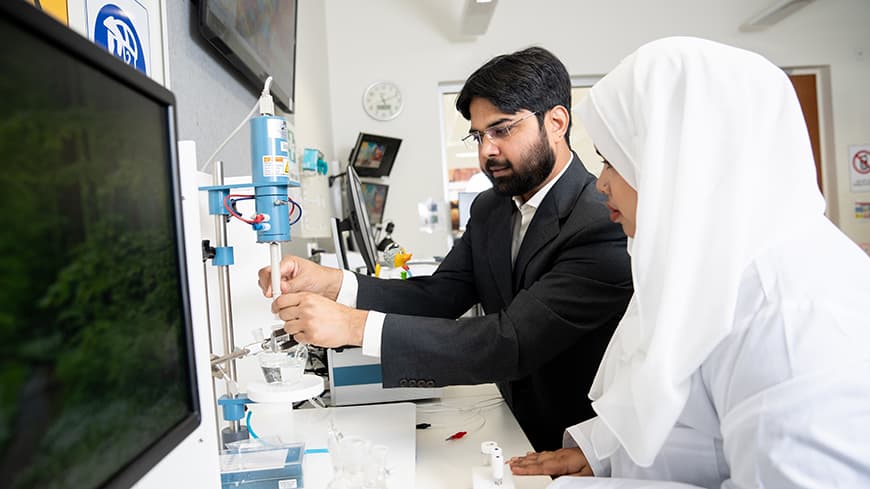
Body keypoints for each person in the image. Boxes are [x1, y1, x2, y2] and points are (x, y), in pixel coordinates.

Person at [507, 37, 870, 488]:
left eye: (613, 162)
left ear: (681, 161)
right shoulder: (704, 259)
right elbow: (671, 388)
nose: (601, 186)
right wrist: (598, 455)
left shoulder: (792, 313)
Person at [258, 47, 633, 451]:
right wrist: (333, 285)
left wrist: (352, 325)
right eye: (478, 135)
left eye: (502, 129)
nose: (486, 151)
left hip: (576, 444)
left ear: (556, 122)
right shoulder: (492, 208)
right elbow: (439, 296)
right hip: (511, 426)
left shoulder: (601, 221)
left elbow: (513, 339)